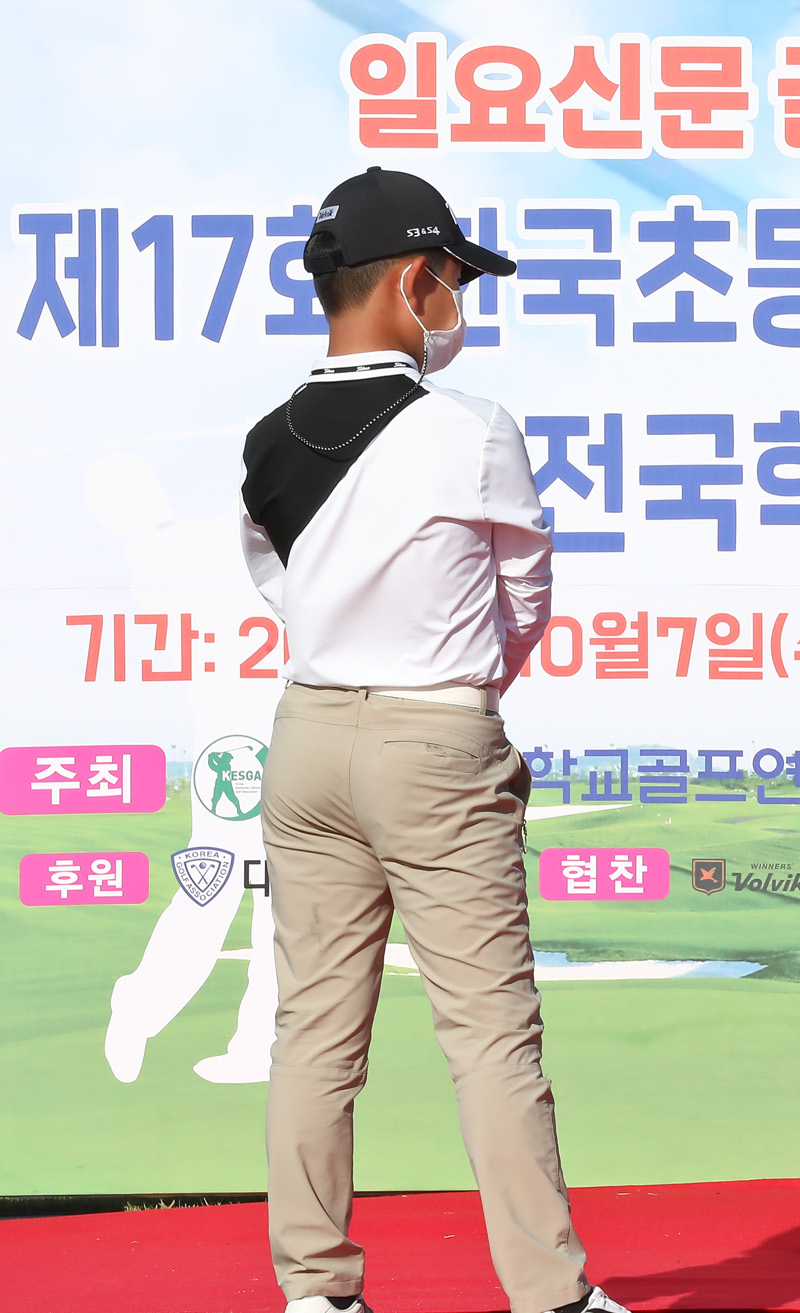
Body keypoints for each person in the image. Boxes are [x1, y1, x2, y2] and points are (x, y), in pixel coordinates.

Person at [239, 167, 624, 1313]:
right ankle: (549, 1294)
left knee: (312, 1027)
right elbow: (526, 591)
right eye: (453, 278)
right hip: (434, 740)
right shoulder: (472, 428)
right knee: (491, 1033)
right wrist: (458, 681)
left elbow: (271, 575)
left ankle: (315, 1290)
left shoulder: (267, 436)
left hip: (306, 732)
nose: (459, 299)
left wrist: (352, 638)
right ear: (413, 279)